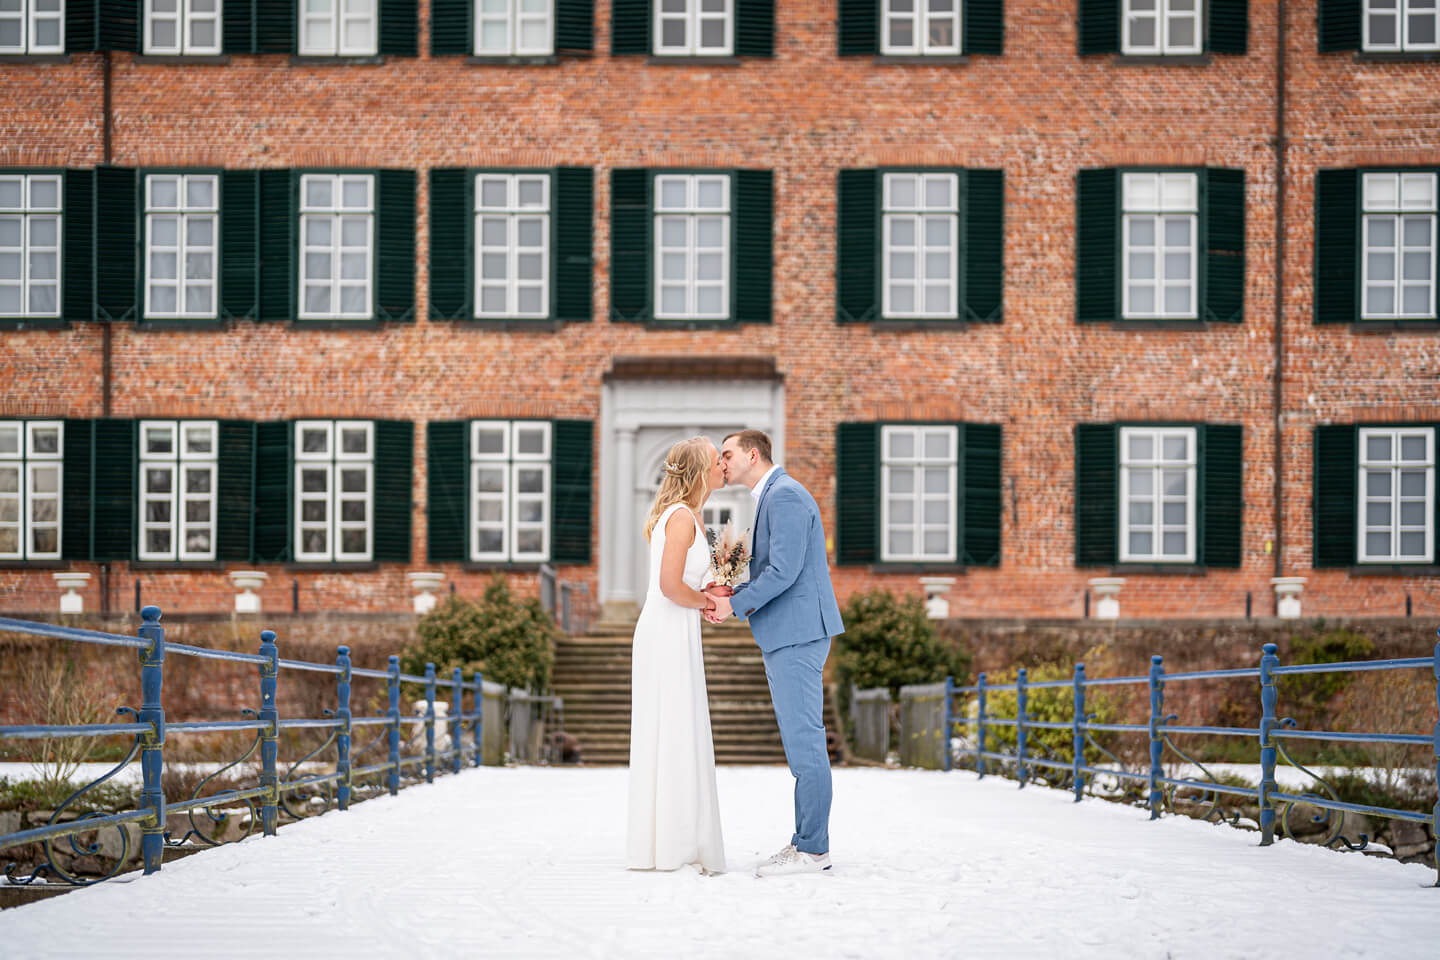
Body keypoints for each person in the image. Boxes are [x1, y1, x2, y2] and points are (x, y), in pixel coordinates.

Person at [705, 429, 845, 877]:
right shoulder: (773, 495)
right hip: (790, 632)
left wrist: (734, 604)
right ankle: (805, 840)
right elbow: (783, 570)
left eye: (726, 455)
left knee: (805, 743)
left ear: (752, 454)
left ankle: (814, 850)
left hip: (798, 633)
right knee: (799, 742)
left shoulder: (783, 496)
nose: (722, 463)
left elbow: (784, 572)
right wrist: (734, 590)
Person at [626, 436, 727, 875]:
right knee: (671, 727)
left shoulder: (690, 516)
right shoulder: (682, 517)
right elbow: (670, 586)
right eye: (717, 460)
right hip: (665, 630)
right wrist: (706, 603)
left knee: (680, 727)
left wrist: (708, 596)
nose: (724, 465)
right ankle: (671, 842)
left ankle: (676, 836)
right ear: (701, 471)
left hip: (677, 628)